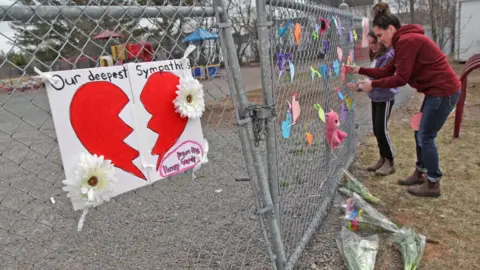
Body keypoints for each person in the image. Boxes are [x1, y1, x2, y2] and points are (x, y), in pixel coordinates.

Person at [346, 3, 461, 198]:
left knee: (426, 135)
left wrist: (373, 85)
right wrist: (360, 70)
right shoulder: (402, 42)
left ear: (391, 29)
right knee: (420, 132)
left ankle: (433, 183)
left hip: (443, 91)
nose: (380, 40)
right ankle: (420, 172)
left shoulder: (407, 41)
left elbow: (401, 78)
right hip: (435, 92)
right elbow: (388, 70)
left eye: (380, 35)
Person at [347, 31, 397, 176]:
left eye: (374, 42)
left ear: (382, 41)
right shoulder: (377, 56)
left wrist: (362, 86)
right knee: (376, 129)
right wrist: (360, 86)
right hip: (376, 97)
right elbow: (372, 78)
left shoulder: (387, 57)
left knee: (381, 129)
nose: (371, 46)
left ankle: (390, 160)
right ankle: (382, 158)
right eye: (369, 43)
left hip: (385, 97)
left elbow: (382, 79)